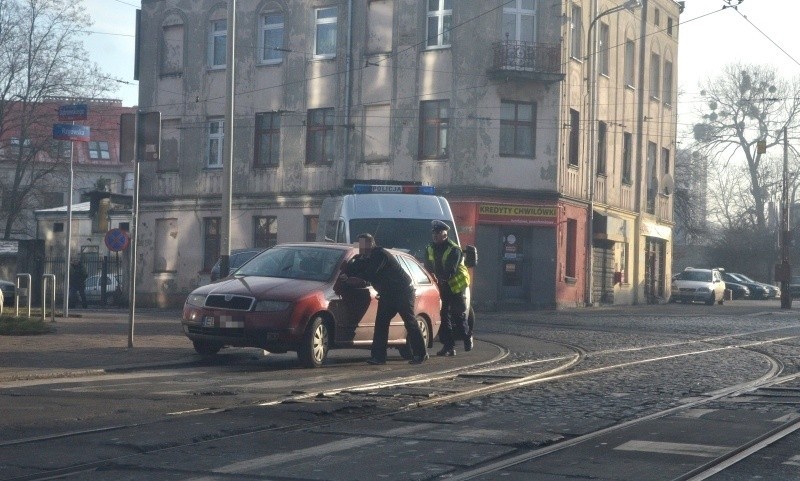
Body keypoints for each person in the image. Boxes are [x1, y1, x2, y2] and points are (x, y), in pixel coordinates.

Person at [339, 233, 429, 365]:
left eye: (363, 244)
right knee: (381, 324)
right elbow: (355, 268)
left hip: (402, 292)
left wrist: (354, 278)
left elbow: (370, 274)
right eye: (359, 245)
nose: (360, 248)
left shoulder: (380, 255)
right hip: (387, 293)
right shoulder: (364, 257)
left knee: (410, 322)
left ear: (371, 244)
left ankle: (421, 354)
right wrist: (346, 271)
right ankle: (378, 357)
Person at [425, 220, 471, 356]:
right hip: (440, 286)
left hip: (456, 286)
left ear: (445, 234)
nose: (435, 236)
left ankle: (467, 336)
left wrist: (441, 279)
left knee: (458, 315)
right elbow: (427, 266)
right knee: (443, 316)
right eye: (434, 233)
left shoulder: (454, 249)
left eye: (438, 233)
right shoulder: (429, 248)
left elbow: (451, 269)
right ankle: (448, 346)